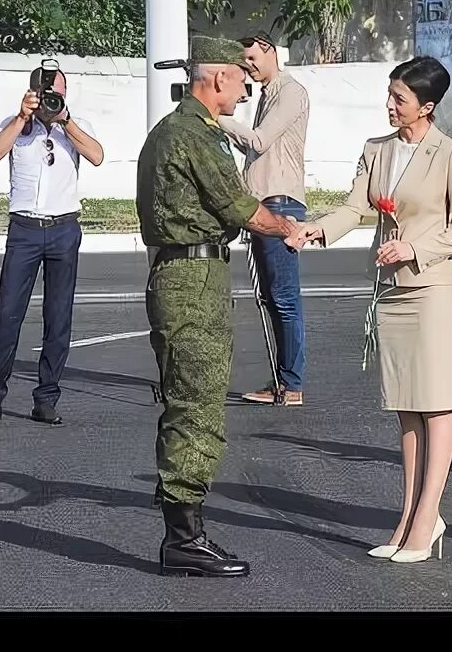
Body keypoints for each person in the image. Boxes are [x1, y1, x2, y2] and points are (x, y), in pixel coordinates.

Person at [288, 56, 452, 563]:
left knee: (436, 405)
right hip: (390, 294)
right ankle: (410, 517)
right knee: (406, 409)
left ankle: (425, 519)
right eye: (390, 95)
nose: (390, 105)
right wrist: (317, 229)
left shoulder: (450, 154)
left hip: (431, 292)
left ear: (428, 107)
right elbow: (356, 206)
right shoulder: (376, 150)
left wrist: (415, 249)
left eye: (400, 98)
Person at [136, 36, 300, 578]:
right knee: (197, 404)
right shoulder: (195, 134)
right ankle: (184, 539)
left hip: (176, 273)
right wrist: (292, 228)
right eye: (241, 76)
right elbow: (242, 208)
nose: (247, 85)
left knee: (186, 398)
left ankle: (183, 528)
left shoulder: (169, 131)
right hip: (193, 278)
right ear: (218, 78)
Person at [0, 63, 104, 426]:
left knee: (58, 319)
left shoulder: (75, 124)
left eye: (59, 92)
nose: (53, 99)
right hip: (23, 229)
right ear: (31, 93)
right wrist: (21, 118)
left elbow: (98, 156)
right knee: (8, 315)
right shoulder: (15, 124)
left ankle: (46, 399)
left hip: (64, 228)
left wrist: (65, 120)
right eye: (47, 93)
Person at [217, 31, 310, 406]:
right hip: (262, 203)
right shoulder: (268, 94)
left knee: (285, 299)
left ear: (270, 51)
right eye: (245, 63)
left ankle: (292, 384)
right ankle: (283, 381)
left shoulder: (290, 92)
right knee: (271, 298)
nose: (249, 68)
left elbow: (258, 141)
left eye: (253, 59)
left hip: (281, 203)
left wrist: (212, 114)